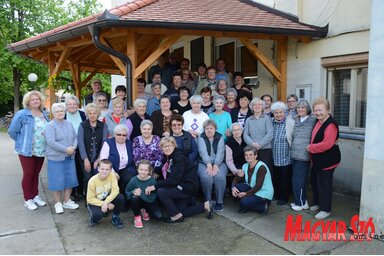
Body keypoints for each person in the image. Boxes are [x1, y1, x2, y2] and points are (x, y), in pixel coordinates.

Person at [144, 136, 214, 223]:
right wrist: (152, 172)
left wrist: (154, 186)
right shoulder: (169, 156)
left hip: (187, 187)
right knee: (180, 211)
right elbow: (166, 169)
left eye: (169, 145)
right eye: (164, 146)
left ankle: (176, 216)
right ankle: (206, 205)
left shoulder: (179, 158)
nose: (167, 148)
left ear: (174, 145)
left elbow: (173, 180)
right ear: (162, 148)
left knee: (161, 192)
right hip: (181, 185)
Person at [8, 90, 49, 210]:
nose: (36, 101)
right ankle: (28, 199)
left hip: (41, 150)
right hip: (26, 151)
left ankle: (35, 195)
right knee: (28, 174)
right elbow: (12, 131)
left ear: (40, 101)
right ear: (28, 102)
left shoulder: (44, 113)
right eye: (33, 99)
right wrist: (22, 142)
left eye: (37, 99)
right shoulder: (22, 114)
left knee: (36, 174)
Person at [306, 97, 341, 220]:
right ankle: (317, 203)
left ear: (327, 110)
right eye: (315, 110)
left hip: (327, 161)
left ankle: (325, 209)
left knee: (324, 185)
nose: (318, 113)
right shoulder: (318, 121)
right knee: (315, 182)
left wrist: (311, 148)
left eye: (320, 110)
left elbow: (327, 144)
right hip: (318, 160)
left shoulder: (330, 124)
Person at [45, 103, 79, 214]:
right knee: (57, 181)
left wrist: (73, 147)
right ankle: (58, 203)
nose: (60, 113)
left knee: (70, 179)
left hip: (70, 156)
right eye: (57, 111)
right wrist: (66, 150)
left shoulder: (69, 124)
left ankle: (67, 201)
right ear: (53, 113)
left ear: (64, 112)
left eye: (61, 111)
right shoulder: (50, 125)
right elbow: (51, 142)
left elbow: (75, 137)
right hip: (56, 158)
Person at [290, 99, 316, 211]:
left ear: (307, 109)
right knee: (297, 179)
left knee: (298, 180)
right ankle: (303, 201)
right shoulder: (295, 119)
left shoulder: (313, 119)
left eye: (303, 107)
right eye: (299, 107)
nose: (300, 109)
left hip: (304, 155)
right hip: (294, 154)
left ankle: (299, 203)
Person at [77, 103, 108, 198]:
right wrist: (85, 159)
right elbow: (80, 143)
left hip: (98, 157)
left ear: (98, 114)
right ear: (87, 114)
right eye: (90, 113)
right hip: (85, 157)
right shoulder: (82, 125)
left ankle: (99, 197)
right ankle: (88, 198)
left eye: (94, 113)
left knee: (98, 177)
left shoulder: (103, 125)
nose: (92, 115)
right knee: (87, 178)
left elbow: (104, 142)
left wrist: (99, 159)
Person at [231, 146, 273, 214]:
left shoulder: (261, 167)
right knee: (237, 188)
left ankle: (263, 206)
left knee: (243, 202)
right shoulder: (245, 165)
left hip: (263, 192)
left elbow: (258, 186)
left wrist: (245, 194)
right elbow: (237, 179)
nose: (248, 157)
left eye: (251, 154)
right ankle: (248, 204)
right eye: (246, 155)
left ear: (255, 155)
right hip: (252, 188)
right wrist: (233, 188)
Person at [243, 97, 274, 190]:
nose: (257, 106)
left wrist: (259, 145)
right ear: (251, 107)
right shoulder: (248, 119)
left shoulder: (267, 118)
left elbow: (270, 134)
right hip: (252, 151)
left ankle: (267, 193)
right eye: (254, 104)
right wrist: (252, 144)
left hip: (265, 150)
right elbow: (245, 134)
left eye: (259, 104)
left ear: (263, 106)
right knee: (253, 172)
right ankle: (254, 191)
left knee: (266, 171)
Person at [197, 119, 227, 212]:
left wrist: (216, 165)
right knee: (206, 178)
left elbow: (220, 152)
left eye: (211, 128)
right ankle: (208, 201)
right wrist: (209, 165)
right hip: (203, 163)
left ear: (215, 129)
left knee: (220, 177)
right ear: (204, 130)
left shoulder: (220, 137)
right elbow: (203, 152)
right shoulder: (201, 137)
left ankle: (219, 201)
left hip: (219, 162)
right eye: (207, 128)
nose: (209, 130)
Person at [86, 159, 125, 229]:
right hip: (95, 201)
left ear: (110, 170)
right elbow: (90, 199)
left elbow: (116, 190)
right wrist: (103, 203)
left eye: (107, 169)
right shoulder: (92, 181)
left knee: (120, 197)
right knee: (98, 215)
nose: (104, 171)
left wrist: (106, 202)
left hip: (106, 198)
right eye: (102, 169)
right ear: (98, 169)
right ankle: (94, 219)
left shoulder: (112, 176)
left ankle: (115, 216)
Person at [125, 160, 163, 228]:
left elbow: (152, 199)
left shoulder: (152, 181)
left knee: (158, 217)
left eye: (146, 170)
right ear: (137, 170)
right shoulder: (133, 180)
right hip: (138, 202)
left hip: (149, 202)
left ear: (149, 171)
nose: (143, 172)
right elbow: (127, 193)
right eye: (141, 169)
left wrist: (141, 194)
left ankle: (144, 210)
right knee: (134, 198)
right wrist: (133, 192)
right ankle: (137, 217)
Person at [99, 124, 136, 192]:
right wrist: (112, 172)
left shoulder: (130, 143)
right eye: (119, 134)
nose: (121, 137)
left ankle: (127, 198)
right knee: (112, 181)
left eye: (124, 135)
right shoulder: (108, 143)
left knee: (130, 179)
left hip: (125, 168)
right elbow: (103, 159)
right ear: (114, 134)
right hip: (110, 169)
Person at [271, 101, 294, 206]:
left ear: (284, 112)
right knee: (275, 178)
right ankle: (277, 194)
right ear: (273, 113)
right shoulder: (271, 122)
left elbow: (293, 138)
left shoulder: (290, 122)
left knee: (285, 179)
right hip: (274, 155)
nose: (278, 115)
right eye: (276, 113)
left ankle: (284, 198)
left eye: (281, 112)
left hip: (286, 156)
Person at [64, 95, 87, 202]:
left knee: (81, 170)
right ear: (66, 106)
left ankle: (81, 191)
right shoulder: (63, 115)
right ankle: (72, 193)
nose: (72, 106)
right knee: (70, 170)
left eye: (74, 104)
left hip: (81, 146)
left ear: (77, 105)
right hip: (69, 147)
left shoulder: (83, 114)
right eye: (70, 104)